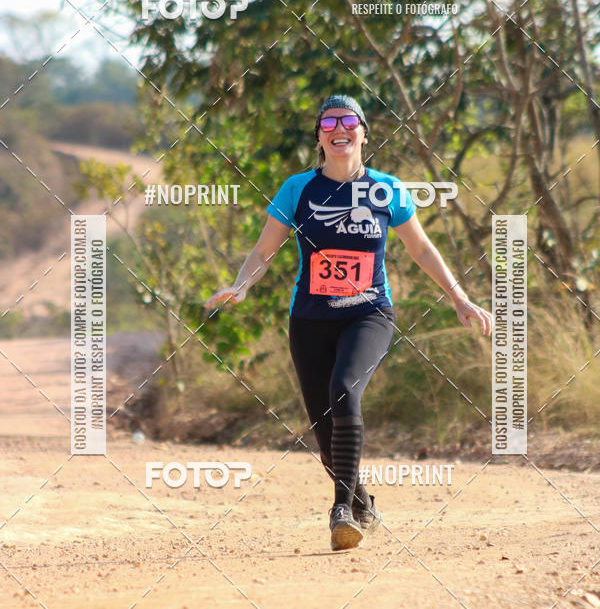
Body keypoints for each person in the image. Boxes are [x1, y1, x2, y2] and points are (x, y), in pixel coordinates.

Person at [206, 95, 492, 550]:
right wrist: (241, 285)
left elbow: (420, 248)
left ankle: (341, 509)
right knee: (324, 430)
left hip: (369, 313)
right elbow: (263, 251)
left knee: (344, 389)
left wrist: (459, 298)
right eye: (329, 122)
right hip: (310, 319)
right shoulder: (298, 189)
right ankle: (361, 500)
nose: (339, 128)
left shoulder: (387, 189)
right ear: (319, 136)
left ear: (363, 132)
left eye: (348, 121)